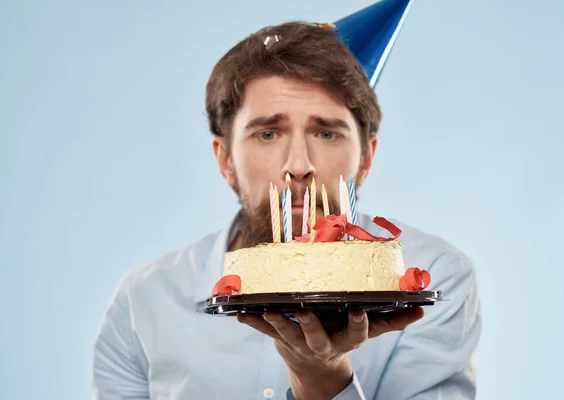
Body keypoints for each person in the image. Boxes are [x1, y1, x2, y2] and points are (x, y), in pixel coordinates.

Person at [92, 18, 482, 400]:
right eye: (267, 133)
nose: (298, 165)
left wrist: (325, 384)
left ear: (366, 158)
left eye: (327, 132)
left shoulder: (439, 277)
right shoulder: (144, 300)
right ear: (225, 159)